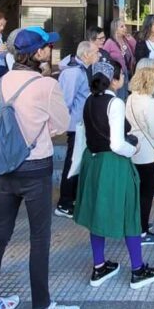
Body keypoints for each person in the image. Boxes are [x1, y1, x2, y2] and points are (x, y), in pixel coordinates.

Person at [0, 27, 73, 309]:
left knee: (0, 233)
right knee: (39, 237)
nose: (50, 50)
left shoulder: (2, 81)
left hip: (7, 164)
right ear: (38, 52)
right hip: (36, 165)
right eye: (47, 46)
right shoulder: (46, 85)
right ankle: (41, 304)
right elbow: (61, 124)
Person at [74, 59, 154, 290]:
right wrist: (133, 149)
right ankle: (137, 270)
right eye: (121, 75)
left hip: (92, 161)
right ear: (113, 80)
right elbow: (116, 144)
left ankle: (99, 266)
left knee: (96, 214)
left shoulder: (89, 99)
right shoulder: (114, 103)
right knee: (130, 212)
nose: (124, 78)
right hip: (113, 163)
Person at [126, 64, 154, 245]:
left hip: (134, 150)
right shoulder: (151, 104)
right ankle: (142, 231)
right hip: (149, 152)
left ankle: (138, 223)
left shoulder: (130, 99)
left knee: (137, 192)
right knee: (146, 193)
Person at [54, 41, 98, 218]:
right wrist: (65, 123)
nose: (98, 55)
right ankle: (64, 202)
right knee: (73, 162)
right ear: (86, 54)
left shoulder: (81, 70)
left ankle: (71, 198)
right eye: (96, 52)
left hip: (81, 123)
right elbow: (66, 100)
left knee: (77, 161)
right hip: (76, 125)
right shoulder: (73, 72)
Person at [103, 19, 137, 100]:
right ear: (115, 29)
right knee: (119, 97)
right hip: (117, 75)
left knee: (127, 96)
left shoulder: (126, 40)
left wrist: (131, 39)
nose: (125, 28)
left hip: (127, 73)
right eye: (122, 26)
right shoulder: (109, 42)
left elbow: (135, 49)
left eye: (125, 26)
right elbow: (103, 58)